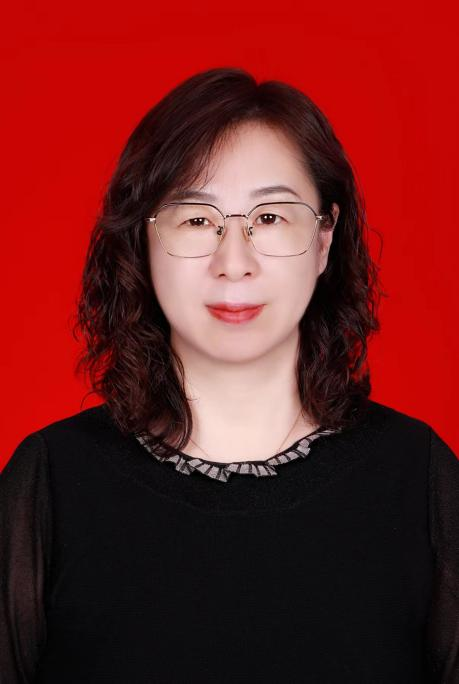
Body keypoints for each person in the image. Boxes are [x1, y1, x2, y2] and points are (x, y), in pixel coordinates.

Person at [1, 67, 458, 683]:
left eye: (270, 218)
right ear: (143, 240)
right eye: (196, 219)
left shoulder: (420, 478)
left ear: (324, 239)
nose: (233, 262)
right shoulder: (50, 483)